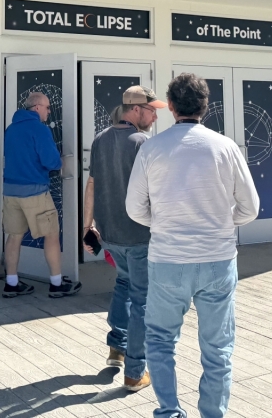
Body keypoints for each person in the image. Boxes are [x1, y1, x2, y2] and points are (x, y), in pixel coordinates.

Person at [125, 73, 259, 418]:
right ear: (206, 105)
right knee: (217, 348)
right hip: (217, 259)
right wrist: (222, 222)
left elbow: (134, 208)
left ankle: (169, 410)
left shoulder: (152, 148)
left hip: (168, 260)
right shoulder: (225, 147)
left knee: (160, 340)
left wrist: (165, 223)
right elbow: (251, 208)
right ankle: (213, 413)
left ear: (170, 107)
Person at [82, 86, 166, 393]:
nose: (156, 115)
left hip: (110, 235)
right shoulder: (144, 143)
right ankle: (135, 371)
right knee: (142, 299)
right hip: (139, 235)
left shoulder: (100, 139)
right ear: (136, 110)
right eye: (152, 109)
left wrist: (86, 227)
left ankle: (116, 348)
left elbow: (90, 185)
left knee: (123, 284)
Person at [2, 91, 82, 299]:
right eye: (47, 107)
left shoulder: (10, 129)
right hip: (35, 192)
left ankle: (11, 283)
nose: (49, 111)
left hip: (11, 192)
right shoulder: (40, 129)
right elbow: (51, 162)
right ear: (37, 107)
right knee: (51, 235)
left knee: (14, 236)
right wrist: (61, 162)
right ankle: (56, 284)